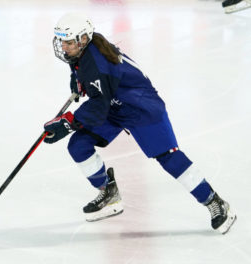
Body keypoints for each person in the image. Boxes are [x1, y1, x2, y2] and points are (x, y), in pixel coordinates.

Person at [43, 13, 236, 234]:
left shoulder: (97, 63)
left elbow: (97, 106)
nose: (64, 47)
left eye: (68, 42)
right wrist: (77, 83)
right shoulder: (85, 50)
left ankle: (215, 202)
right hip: (114, 106)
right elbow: (86, 78)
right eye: (62, 41)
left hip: (141, 108)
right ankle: (109, 194)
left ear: (83, 39)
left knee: (169, 158)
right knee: (78, 146)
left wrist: (68, 123)